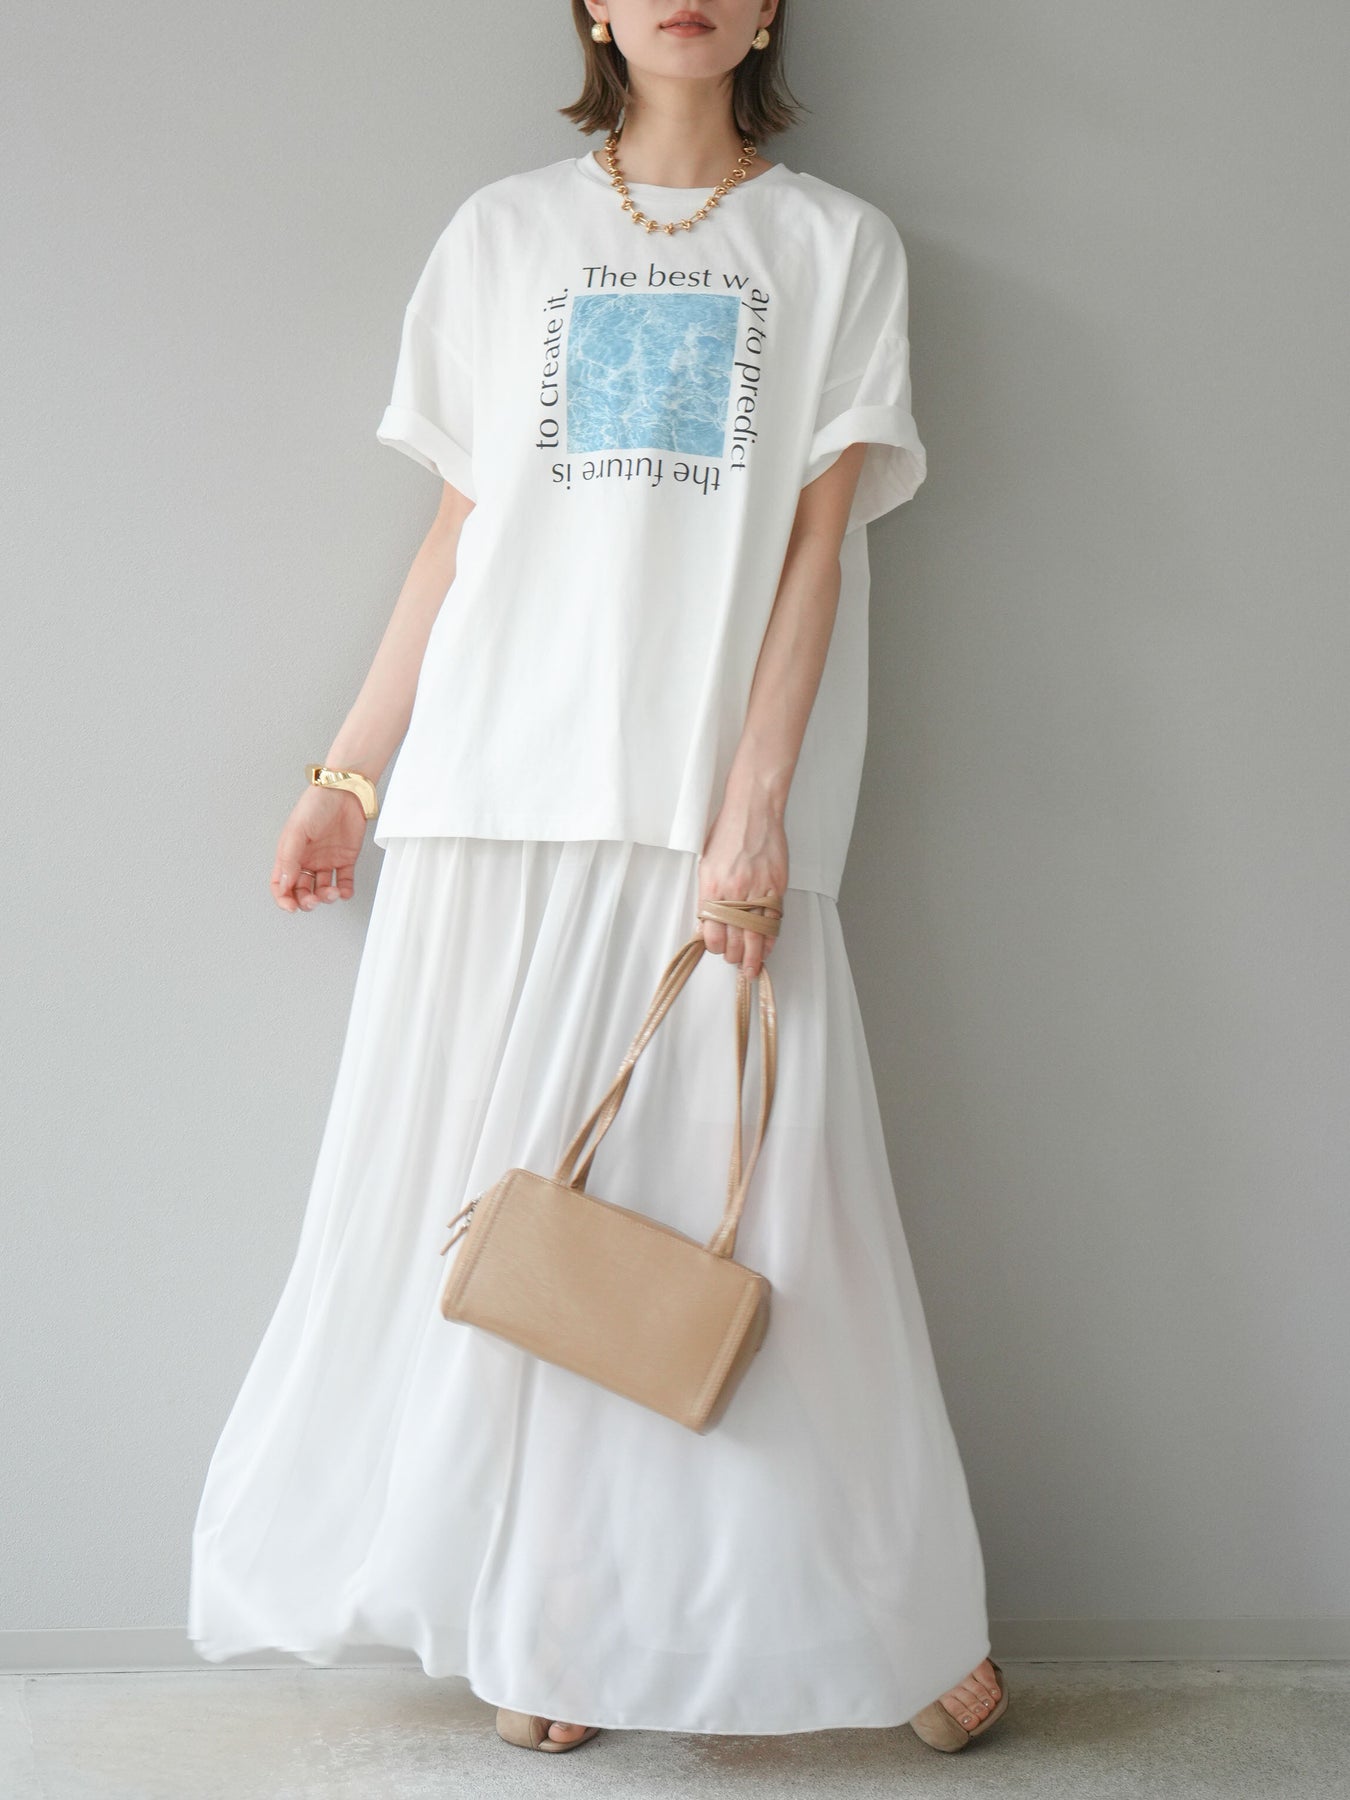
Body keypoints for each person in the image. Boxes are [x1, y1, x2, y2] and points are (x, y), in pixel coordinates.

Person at [188, 0, 1010, 1759]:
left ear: (769, 7)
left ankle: (898, 1615)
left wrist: (755, 808)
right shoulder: (502, 235)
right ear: (589, 7)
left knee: (764, 1212)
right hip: (492, 791)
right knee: (515, 1225)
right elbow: (458, 534)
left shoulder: (834, 245)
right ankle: (549, 1620)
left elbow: (815, 551)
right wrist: (348, 773)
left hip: (702, 806)